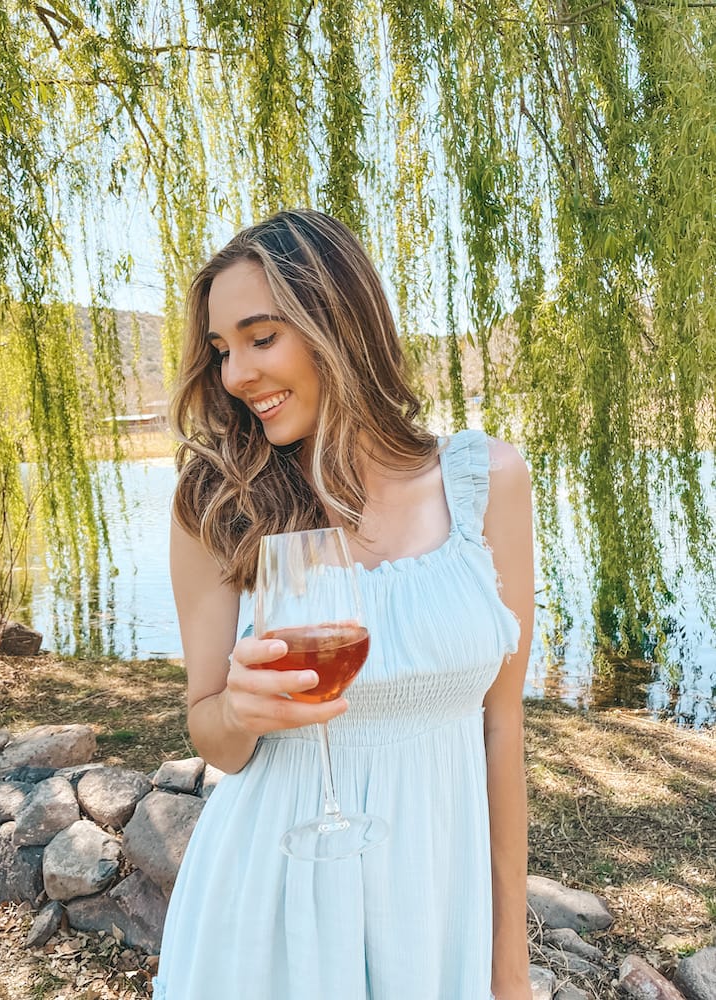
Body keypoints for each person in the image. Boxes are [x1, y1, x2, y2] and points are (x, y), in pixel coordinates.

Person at [153, 208, 534, 1000]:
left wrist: (508, 960)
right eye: (222, 351)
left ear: (341, 323)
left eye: (262, 338)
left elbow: (501, 729)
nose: (234, 375)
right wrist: (239, 711)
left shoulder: (486, 482)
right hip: (274, 894)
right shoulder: (220, 501)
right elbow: (212, 735)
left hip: (437, 899)